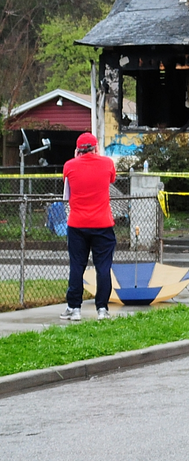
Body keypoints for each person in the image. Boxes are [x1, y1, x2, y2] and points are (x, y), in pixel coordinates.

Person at [60, 132, 118, 321]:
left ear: (77, 149)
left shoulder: (69, 165)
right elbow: (111, 180)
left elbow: (67, 182)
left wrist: (76, 158)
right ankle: (102, 309)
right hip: (102, 223)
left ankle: (74, 308)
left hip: (77, 223)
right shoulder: (107, 163)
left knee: (77, 265)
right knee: (103, 267)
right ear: (95, 147)